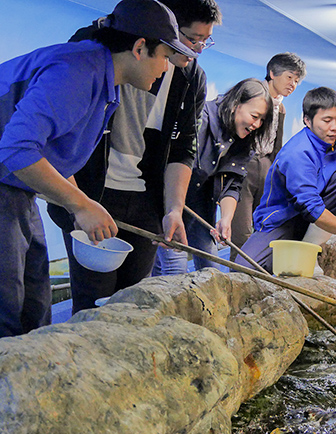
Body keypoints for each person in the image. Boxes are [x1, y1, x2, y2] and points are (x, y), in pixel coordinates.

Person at [0, 0, 198, 337]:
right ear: (139, 48)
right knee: (8, 303)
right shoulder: (76, 70)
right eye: (165, 56)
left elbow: (54, 152)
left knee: (33, 299)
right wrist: (81, 204)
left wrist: (77, 203)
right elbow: (17, 149)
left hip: (19, 188)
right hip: (8, 182)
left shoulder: (106, 82)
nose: (166, 67)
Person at [46, 0, 221, 314]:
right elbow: (46, 143)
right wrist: (77, 202)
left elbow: (183, 148)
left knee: (134, 302)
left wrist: (174, 209)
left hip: (145, 200)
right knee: (92, 302)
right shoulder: (92, 51)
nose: (196, 50)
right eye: (190, 39)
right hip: (91, 192)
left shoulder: (191, 76)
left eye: (204, 42)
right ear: (150, 38)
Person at [234, 87, 336, 274]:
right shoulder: (299, 153)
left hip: (314, 223)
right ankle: (293, 253)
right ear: (307, 121)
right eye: (326, 120)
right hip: (283, 221)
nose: (334, 127)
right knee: (245, 269)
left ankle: (310, 250)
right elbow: (311, 207)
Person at [153, 78, 273, 274]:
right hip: (170, 198)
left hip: (200, 203)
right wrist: (172, 209)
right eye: (254, 116)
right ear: (236, 104)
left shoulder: (244, 139)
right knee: (174, 267)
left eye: (262, 120)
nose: (257, 124)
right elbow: (176, 163)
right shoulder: (201, 119)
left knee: (211, 270)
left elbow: (232, 183)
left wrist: (226, 218)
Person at [229, 52, 306, 261]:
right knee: (241, 230)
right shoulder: (253, 95)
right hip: (243, 164)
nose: (293, 84)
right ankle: (238, 277)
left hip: (265, 167)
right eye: (289, 77)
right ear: (272, 73)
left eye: (297, 81)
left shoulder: (280, 107)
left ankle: (260, 275)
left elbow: (276, 146)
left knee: (265, 225)